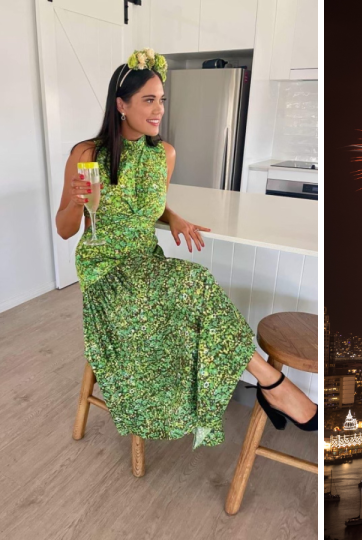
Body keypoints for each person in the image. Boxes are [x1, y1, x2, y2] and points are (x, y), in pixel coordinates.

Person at [54, 49, 317, 449]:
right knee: (195, 281)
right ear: (121, 105)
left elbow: (149, 205)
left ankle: (269, 383)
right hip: (104, 268)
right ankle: (273, 383)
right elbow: (64, 229)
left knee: (194, 290)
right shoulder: (88, 154)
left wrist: (171, 217)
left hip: (145, 263)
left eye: (162, 100)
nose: (159, 109)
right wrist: (75, 201)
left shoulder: (165, 155)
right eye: (148, 100)